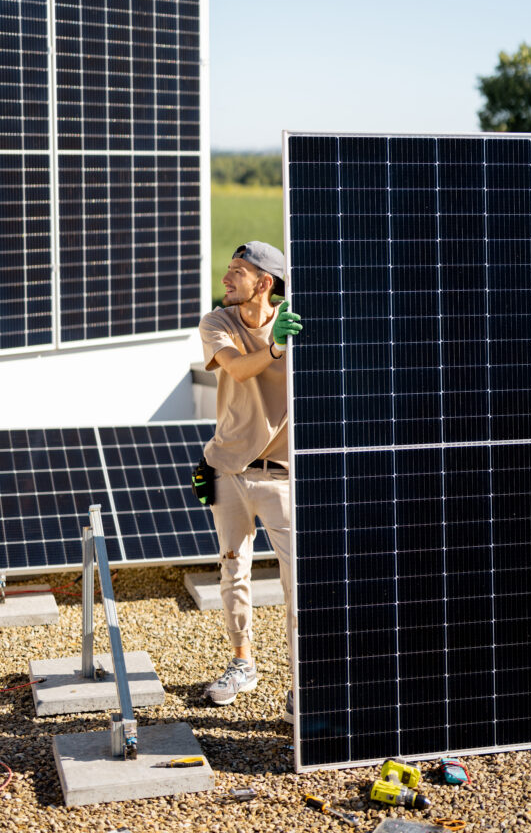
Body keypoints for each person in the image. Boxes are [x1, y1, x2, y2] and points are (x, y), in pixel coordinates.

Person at [198, 241, 302, 722]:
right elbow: (239, 370)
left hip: (283, 477)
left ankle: (303, 680)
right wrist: (275, 346)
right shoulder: (217, 322)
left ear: (265, 283)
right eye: (228, 268)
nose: (226, 278)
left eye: (237, 271)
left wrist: (286, 340)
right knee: (232, 569)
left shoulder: (297, 322)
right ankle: (242, 663)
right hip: (228, 470)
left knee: (296, 582)